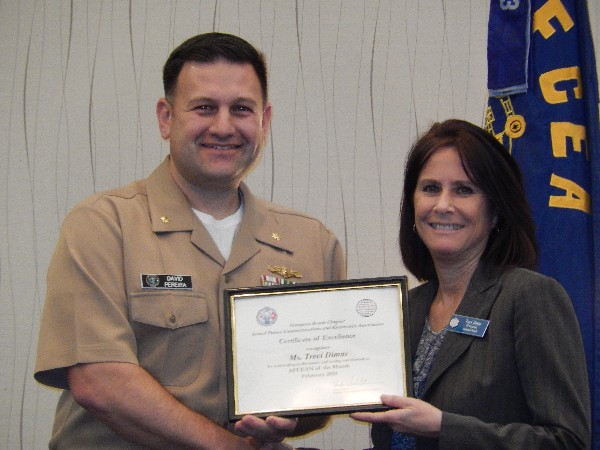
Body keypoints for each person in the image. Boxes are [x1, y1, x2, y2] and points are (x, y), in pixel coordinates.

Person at [34, 32, 345, 449]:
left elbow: (322, 386)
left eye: (241, 109)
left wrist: (294, 416)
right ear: (166, 118)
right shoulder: (104, 226)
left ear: (264, 121)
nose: (223, 126)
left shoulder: (312, 243)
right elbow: (98, 381)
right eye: (204, 108)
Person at [351, 119, 591, 449]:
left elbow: (567, 441)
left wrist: (443, 427)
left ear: (495, 212)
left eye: (464, 190)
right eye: (430, 188)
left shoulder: (529, 296)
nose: (443, 205)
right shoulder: (404, 309)